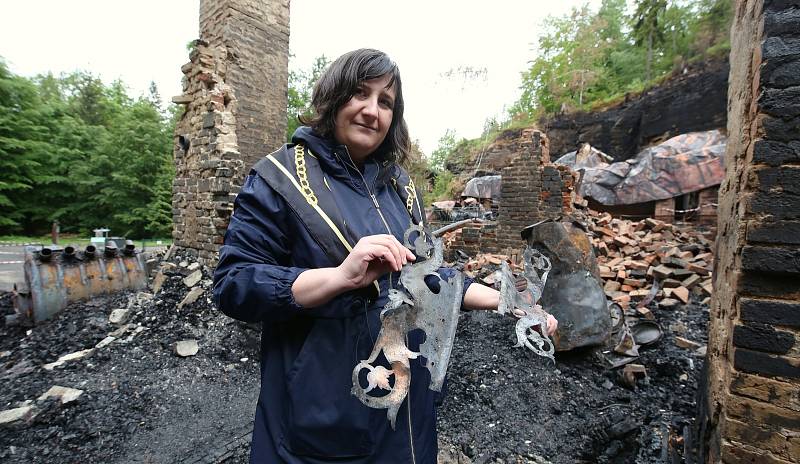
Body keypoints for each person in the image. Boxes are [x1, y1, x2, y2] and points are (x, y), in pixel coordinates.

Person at [213, 48, 557, 464]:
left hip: (406, 410)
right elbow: (234, 284)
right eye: (360, 93)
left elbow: (429, 278)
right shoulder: (278, 177)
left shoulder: (399, 187)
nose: (372, 111)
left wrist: (508, 301)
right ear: (334, 96)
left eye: (386, 102)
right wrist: (341, 277)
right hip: (324, 411)